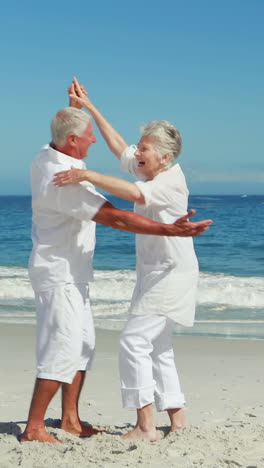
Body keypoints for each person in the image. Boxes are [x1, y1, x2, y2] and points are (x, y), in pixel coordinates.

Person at [22, 102, 212, 444]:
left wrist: (88, 173)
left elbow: (129, 203)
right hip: (132, 273)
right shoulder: (139, 169)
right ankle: (175, 416)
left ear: (164, 157)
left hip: (169, 272)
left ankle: (143, 425)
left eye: (144, 148)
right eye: (139, 147)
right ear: (71, 140)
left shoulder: (165, 181)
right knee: (151, 346)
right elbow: (118, 160)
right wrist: (90, 107)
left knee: (133, 341)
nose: (135, 152)